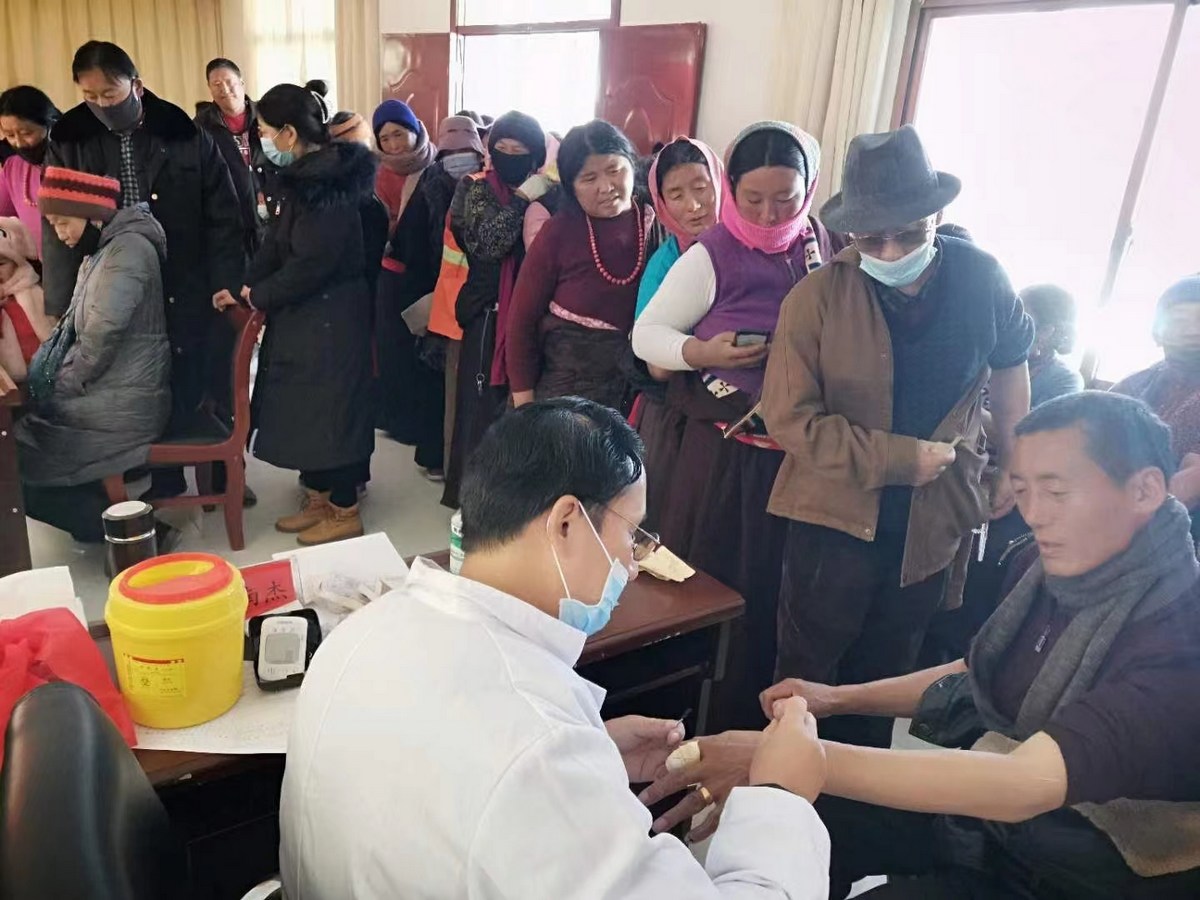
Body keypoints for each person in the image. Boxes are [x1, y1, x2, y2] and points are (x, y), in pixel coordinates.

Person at [645, 391, 1200, 898]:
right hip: (994, 828)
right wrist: (835, 698)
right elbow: (979, 669)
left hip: (1087, 870)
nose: (1034, 514)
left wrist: (789, 761)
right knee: (816, 814)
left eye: (1056, 491)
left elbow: (1025, 782)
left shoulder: (1178, 645)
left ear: (1145, 490)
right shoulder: (1047, 569)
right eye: (1023, 490)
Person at [280, 396, 831, 899]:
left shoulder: (362, 631)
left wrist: (591, 753)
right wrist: (781, 799)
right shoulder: (538, 754)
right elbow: (516, 764)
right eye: (632, 533)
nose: (633, 562)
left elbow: (434, 778)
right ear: (567, 522)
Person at [760, 125, 1034, 748]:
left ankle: (860, 791)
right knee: (806, 673)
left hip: (931, 521)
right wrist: (899, 459)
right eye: (871, 238)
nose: (889, 251)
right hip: (832, 520)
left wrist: (1013, 463)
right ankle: (782, 785)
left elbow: (1012, 363)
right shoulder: (815, 299)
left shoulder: (982, 278)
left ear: (936, 215)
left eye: (908, 234)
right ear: (850, 233)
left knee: (886, 675)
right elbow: (791, 419)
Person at [632, 122, 840, 729]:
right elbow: (647, 336)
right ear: (733, 191)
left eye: (786, 198)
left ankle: (761, 721)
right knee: (714, 583)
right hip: (728, 454)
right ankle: (693, 720)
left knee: (779, 593)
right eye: (753, 199)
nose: (770, 214)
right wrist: (704, 352)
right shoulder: (711, 255)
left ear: (809, 190)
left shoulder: (820, 246)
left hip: (797, 456)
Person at [44, 41, 243, 503]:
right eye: (89, 96)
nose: (100, 105)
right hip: (114, 277)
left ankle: (221, 474)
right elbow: (56, 224)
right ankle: (159, 477)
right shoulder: (70, 137)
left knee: (198, 373)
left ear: (136, 85)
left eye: (110, 94)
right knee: (135, 376)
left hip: (184, 273)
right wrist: (61, 304)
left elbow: (223, 215)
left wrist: (225, 281)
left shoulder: (183, 131)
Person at [213, 83, 376, 546]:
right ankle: (319, 499)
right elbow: (276, 244)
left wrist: (261, 294)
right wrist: (245, 287)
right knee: (309, 410)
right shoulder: (305, 176)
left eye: (265, 131)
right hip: (309, 314)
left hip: (331, 315)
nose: (263, 139)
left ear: (289, 133)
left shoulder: (328, 182)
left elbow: (312, 263)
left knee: (332, 413)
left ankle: (344, 510)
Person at [17, 169, 170, 543]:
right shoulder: (103, 251)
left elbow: (100, 338)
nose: (60, 234)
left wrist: (60, 384)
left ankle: (135, 534)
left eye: (63, 222)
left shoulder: (127, 251)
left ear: (93, 215)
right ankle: (108, 523)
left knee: (15, 462)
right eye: (53, 224)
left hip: (125, 402)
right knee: (19, 441)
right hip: (112, 390)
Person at [441, 109, 546, 508]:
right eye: (502, 148)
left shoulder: (551, 194)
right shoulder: (474, 189)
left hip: (532, 317)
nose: (509, 157)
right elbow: (487, 244)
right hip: (487, 315)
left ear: (536, 156)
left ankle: (512, 504)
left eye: (520, 151)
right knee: (479, 412)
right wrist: (522, 200)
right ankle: (473, 501)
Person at [506, 120, 646, 411]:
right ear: (571, 187)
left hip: (636, 396)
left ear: (632, 165)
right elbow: (521, 322)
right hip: (563, 400)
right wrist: (524, 408)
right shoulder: (558, 232)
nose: (606, 187)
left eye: (614, 170)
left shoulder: (654, 222)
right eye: (589, 178)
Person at [377, 115, 486, 479]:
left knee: (461, 379)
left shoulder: (486, 185)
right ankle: (440, 456)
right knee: (440, 378)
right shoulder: (432, 184)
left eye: (464, 150)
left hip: (472, 299)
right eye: (450, 151)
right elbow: (411, 244)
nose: (457, 158)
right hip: (442, 297)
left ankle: (457, 457)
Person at [628, 137, 722, 531]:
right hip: (680, 420)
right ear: (662, 203)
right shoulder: (664, 265)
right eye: (677, 195)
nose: (694, 206)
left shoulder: (752, 252)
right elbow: (658, 368)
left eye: (701, 188)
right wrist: (708, 349)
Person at [1113, 275, 1200, 536]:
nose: (1191, 331)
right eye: (1179, 321)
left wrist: (1115, 515)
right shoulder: (1139, 382)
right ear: (1157, 332)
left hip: (1174, 528)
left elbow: (1194, 478)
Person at [194, 57, 280, 259]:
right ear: (210, 89)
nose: (224, 89)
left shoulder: (268, 116)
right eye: (216, 84)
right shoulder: (200, 127)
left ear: (241, 83)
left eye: (229, 81)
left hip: (273, 215)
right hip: (228, 222)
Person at [0, 85, 60, 258]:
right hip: (43, 269)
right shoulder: (12, 167)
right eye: (10, 135)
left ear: (50, 124)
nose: (18, 143)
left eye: (26, 133)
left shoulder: (73, 162)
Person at [0, 217, 53, 394]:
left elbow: (53, 328)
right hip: (10, 387)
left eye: (1, 264)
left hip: (46, 377)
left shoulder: (34, 291)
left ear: (17, 263)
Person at [371, 99, 435, 227]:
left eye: (398, 135)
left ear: (414, 132)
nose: (393, 146)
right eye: (384, 139)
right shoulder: (373, 175)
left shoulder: (436, 167)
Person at [1021, 283, 1083, 408]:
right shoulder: (989, 355)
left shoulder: (1064, 380)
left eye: (1019, 321)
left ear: (1046, 332)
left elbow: (1032, 423)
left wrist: (978, 412)